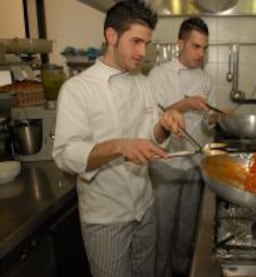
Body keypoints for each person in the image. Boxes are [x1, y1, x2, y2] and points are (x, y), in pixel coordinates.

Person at [52, 1, 185, 277]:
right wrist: (118, 146)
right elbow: (66, 154)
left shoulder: (143, 83)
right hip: (106, 218)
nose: (142, 52)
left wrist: (164, 125)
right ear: (111, 36)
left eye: (146, 44)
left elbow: (152, 137)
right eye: (136, 41)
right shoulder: (77, 89)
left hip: (145, 208)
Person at [148, 17, 217, 277]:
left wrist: (215, 118)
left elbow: (207, 123)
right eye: (195, 47)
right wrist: (186, 104)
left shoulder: (206, 79)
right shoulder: (158, 75)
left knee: (188, 228)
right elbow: (154, 120)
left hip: (194, 164)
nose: (200, 54)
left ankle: (183, 271)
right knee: (163, 228)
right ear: (180, 43)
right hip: (165, 164)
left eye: (204, 48)